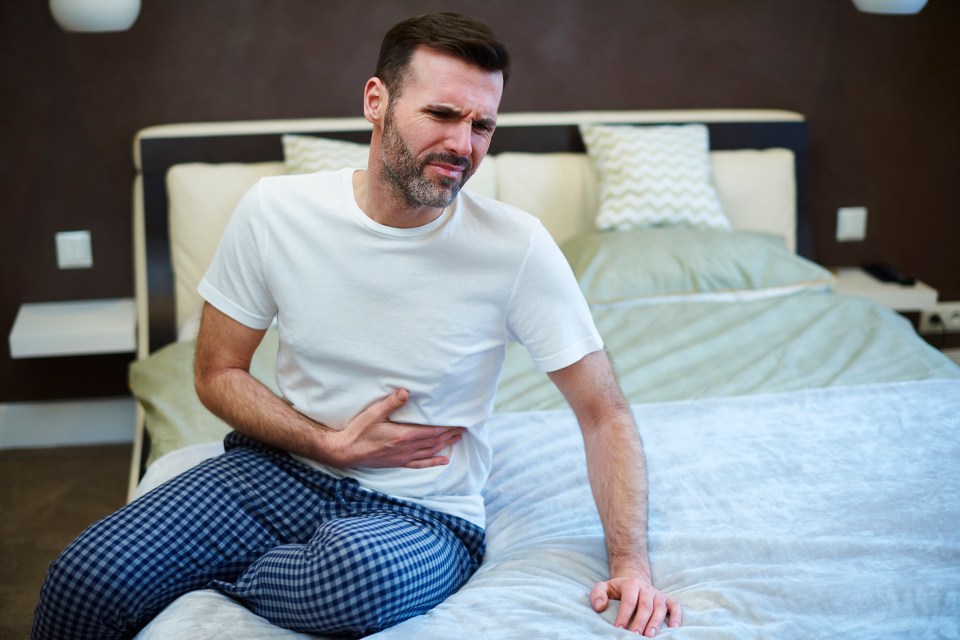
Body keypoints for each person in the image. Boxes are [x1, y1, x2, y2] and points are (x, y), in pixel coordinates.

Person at [33, 12, 681, 639]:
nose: (464, 144)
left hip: (422, 512)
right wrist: (325, 442)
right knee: (85, 578)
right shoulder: (274, 212)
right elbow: (215, 372)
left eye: (483, 124)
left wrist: (631, 564)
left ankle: (216, 574)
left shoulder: (517, 248)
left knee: (353, 579)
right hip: (271, 472)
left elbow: (604, 413)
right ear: (377, 101)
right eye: (442, 114)